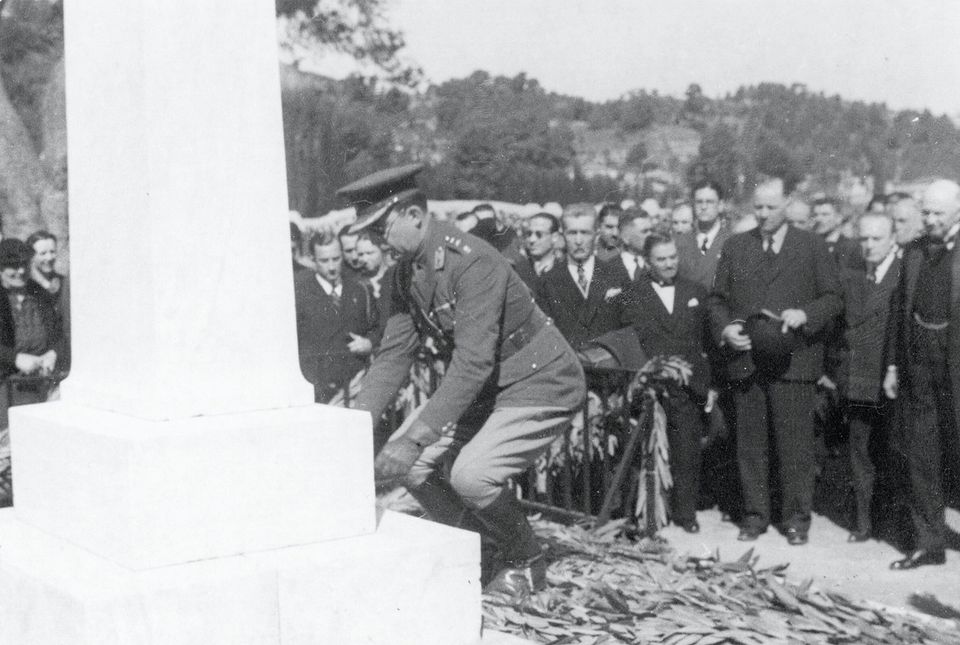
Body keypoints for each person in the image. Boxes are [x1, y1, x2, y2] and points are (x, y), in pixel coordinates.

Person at [339, 164, 585, 598]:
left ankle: (525, 562)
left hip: (540, 380)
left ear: (414, 214)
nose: (373, 239)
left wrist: (413, 438)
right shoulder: (404, 273)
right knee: (416, 470)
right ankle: (481, 548)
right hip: (493, 384)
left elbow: (472, 362)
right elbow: (394, 355)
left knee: (471, 476)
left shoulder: (472, 261)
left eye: (380, 226)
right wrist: (349, 430)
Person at [708, 177, 842, 546]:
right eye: (758, 208)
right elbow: (717, 300)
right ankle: (754, 515)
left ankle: (796, 519)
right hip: (748, 362)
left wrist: (806, 313)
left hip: (794, 363)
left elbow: (833, 298)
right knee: (750, 445)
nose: (763, 214)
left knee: (794, 446)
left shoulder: (811, 246)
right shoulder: (737, 246)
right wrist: (726, 330)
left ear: (788, 206)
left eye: (771, 207)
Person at [884, 179, 960, 569]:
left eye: (938, 214)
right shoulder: (913, 251)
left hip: (956, 363)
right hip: (918, 364)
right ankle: (929, 542)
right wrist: (894, 364)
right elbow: (899, 311)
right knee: (922, 454)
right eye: (926, 212)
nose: (930, 220)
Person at [619, 233, 715, 533]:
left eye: (673, 257)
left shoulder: (696, 291)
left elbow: (706, 340)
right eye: (661, 259)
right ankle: (650, 514)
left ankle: (686, 514)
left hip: (689, 385)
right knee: (650, 452)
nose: (669, 263)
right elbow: (643, 337)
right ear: (648, 262)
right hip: (655, 386)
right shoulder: (634, 293)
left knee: (687, 450)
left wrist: (708, 382)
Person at [837, 213, 900, 542]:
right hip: (858, 378)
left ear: (893, 238)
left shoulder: (903, 276)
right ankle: (864, 523)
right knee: (860, 451)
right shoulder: (853, 276)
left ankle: (893, 522)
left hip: (890, 379)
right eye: (864, 239)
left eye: (877, 238)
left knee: (893, 452)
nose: (870, 245)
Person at [293, 231, 379, 404]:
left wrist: (369, 343)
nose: (331, 267)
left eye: (336, 258)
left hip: (356, 388)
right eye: (324, 261)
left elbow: (377, 328)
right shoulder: (299, 295)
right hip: (319, 393)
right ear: (312, 260)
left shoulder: (360, 289)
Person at [538, 203, 626, 350]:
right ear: (563, 235)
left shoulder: (616, 275)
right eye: (572, 233)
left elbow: (627, 329)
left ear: (596, 235)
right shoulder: (547, 282)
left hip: (607, 367)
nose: (578, 241)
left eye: (585, 233)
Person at [0, 239, 63, 428]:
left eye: (23, 265)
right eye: (12, 266)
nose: (20, 271)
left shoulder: (40, 294)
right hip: (7, 383)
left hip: (42, 381)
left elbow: (58, 334)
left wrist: (53, 353)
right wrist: (15, 358)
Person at [25, 230, 69, 373]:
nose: (49, 257)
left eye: (52, 252)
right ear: (31, 257)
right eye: (43, 253)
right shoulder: (25, 287)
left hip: (61, 357)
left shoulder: (64, 283)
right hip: (33, 362)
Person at [676, 180, 733, 290]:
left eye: (710, 202)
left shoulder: (732, 242)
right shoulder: (679, 241)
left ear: (720, 205)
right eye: (699, 202)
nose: (704, 207)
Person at [605, 208, 653, 284]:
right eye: (644, 231)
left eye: (652, 230)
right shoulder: (609, 269)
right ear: (625, 238)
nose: (650, 235)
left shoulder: (659, 263)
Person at [812, 197, 859, 267]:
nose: (818, 219)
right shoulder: (809, 244)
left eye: (825, 214)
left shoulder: (851, 247)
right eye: (815, 215)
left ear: (838, 218)